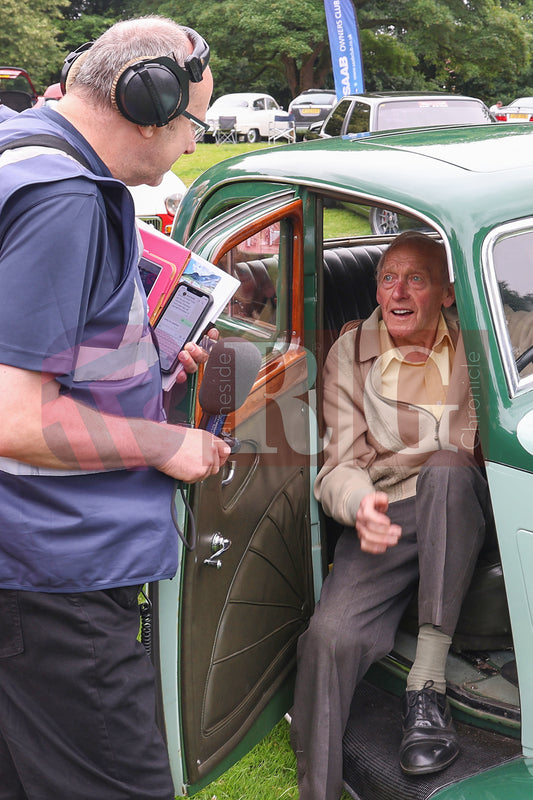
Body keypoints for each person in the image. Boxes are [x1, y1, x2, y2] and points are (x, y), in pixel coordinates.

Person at [0, 17, 230, 800]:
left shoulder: (22, 149)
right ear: (149, 101)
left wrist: (149, 363)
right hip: (54, 584)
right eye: (195, 123)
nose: (192, 146)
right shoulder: (62, 201)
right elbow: (17, 421)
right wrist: (163, 443)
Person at [291, 231, 494, 800]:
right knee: (327, 638)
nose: (396, 292)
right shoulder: (350, 352)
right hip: (388, 510)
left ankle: (424, 688)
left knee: (448, 470)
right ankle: (319, 789)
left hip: (471, 502)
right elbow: (338, 464)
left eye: (416, 279)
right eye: (387, 278)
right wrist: (360, 505)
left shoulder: (485, 340)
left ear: (448, 294)